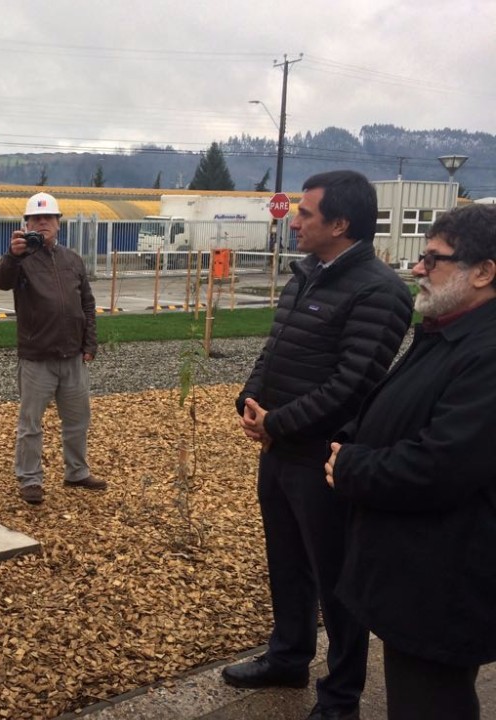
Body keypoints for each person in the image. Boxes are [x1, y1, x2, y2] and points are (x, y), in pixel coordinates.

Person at [225, 170, 413, 720]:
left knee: (337, 580)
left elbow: (353, 383)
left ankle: (340, 697)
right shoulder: (307, 273)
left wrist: (278, 422)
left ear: (340, 223)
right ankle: (288, 656)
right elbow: (276, 345)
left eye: (305, 213)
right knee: (286, 563)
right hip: (279, 451)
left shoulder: (380, 291)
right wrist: (251, 400)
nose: (293, 220)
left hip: (324, 460)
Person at [325, 203, 496, 720]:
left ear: (485, 272)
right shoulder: (445, 328)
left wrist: (351, 468)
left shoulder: (486, 352)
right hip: (418, 573)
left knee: (430, 702)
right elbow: (398, 402)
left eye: (433, 259)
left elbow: (441, 464)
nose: (417, 269)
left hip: (445, 584)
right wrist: (349, 439)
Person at [0, 191, 102, 505]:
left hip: (73, 356)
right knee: (31, 424)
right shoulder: (20, 260)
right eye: (36, 219)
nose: (43, 223)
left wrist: (89, 344)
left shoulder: (73, 259)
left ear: (58, 224)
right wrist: (13, 256)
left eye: (49, 218)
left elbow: (88, 305)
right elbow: (1, 281)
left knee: (78, 419)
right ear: (26, 224)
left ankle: (77, 472)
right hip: (36, 358)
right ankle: (30, 480)